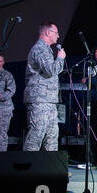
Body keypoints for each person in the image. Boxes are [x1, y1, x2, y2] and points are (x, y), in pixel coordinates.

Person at [23, 20, 66, 151]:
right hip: (39, 100)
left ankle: (50, 170)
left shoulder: (47, 50)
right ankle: (26, 168)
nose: (58, 36)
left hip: (49, 100)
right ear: (48, 32)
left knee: (52, 137)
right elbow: (51, 70)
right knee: (36, 135)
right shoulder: (39, 49)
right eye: (56, 33)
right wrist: (60, 58)